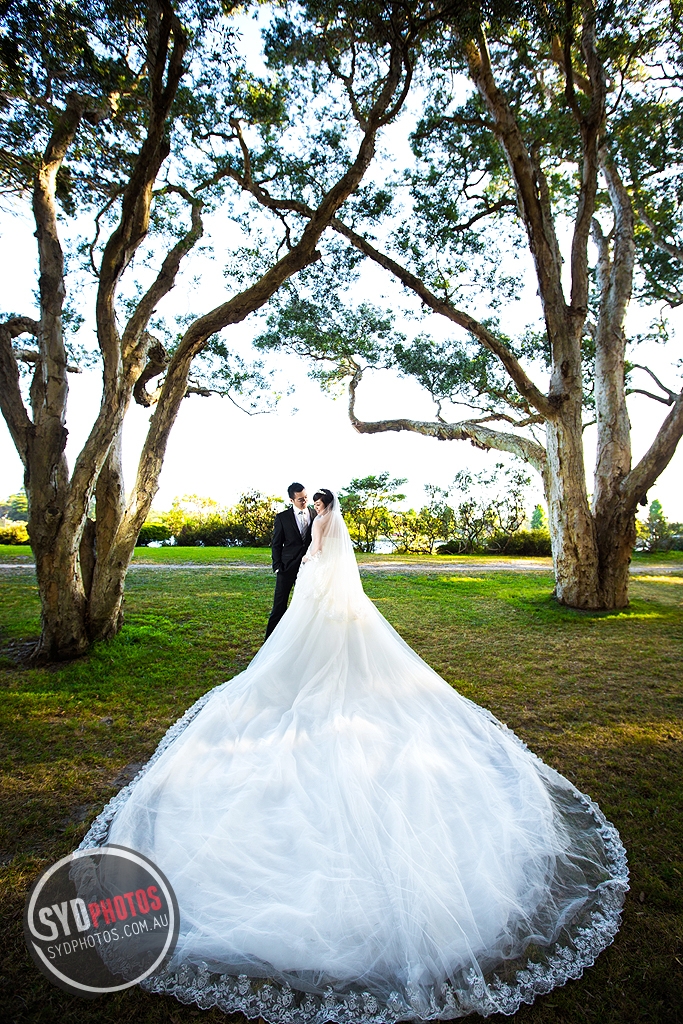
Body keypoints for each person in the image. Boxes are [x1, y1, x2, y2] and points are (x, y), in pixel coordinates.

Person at [82, 489, 628, 1022]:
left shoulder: (322, 524)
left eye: (318, 502)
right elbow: (323, 550)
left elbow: (318, 551)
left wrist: (308, 564)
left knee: (304, 649)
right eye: (314, 503)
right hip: (331, 591)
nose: (316, 508)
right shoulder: (329, 520)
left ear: (322, 505)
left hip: (317, 586)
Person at [265, 482, 316, 639]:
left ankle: (302, 640)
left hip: (308, 567)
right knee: (279, 606)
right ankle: (269, 642)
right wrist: (277, 566)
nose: (304, 501)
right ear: (291, 500)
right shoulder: (282, 518)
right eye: (300, 499)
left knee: (306, 606)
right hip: (286, 567)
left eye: (306, 497)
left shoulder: (315, 514)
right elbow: (276, 544)